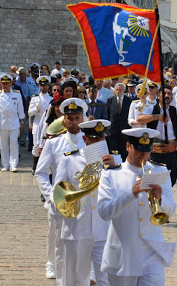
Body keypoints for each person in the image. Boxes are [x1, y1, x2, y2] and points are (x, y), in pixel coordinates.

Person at [97, 127, 177, 285]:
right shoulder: (111, 174)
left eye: (147, 151)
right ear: (128, 147)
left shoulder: (159, 171)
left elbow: (171, 210)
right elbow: (104, 212)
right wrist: (130, 194)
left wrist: (160, 200)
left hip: (152, 253)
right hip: (123, 255)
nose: (144, 155)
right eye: (139, 150)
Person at [51, 113, 113, 286]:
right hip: (77, 228)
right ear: (85, 139)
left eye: (101, 139)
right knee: (75, 279)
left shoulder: (114, 163)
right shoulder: (70, 160)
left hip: (102, 229)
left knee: (105, 279)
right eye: (94, 139)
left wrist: (114, 168)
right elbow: (58, 192)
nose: (99, 143)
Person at [36, 97, 88, 283]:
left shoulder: (89, 142)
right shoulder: (53, 143)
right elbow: (41, 173)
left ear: (82, 118)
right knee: (57, 239)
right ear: (63, 118)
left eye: (76, 118)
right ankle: (57, 273)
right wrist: (51, 196)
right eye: (69, 118)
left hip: (83, 201)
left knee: (82, 242)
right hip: (60, 200)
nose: (73, 122)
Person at [140, 85, 177, 186]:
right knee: (153, 182)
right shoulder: (151, 110)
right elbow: (140, 119)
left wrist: (175, 145)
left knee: (170, 181)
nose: (167, 95)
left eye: (169, 94)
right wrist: (157, 117)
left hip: (170, 150)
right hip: (154, 152)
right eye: (164, 93)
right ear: (158, 96)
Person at [0, 73, 25, 172]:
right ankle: (5, 164)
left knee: (14, 144)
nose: (5, 85)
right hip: (2, 123)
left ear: (11, 83)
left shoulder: (17, 94)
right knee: (3, 145)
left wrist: (22, 122)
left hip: (14, 123)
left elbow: (20, 109)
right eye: (3, 83)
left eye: (7, 83)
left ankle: (13, 164)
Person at [29, 76, 53, 173]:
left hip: (47, 125)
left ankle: (44, 167)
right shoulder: (35, 98)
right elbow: (30, 113)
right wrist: (36, 108)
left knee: (46, 147)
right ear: (39, 86)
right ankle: (35, 166)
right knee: (36, 146)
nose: (44, 87)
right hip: (37, 124)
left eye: (46, 85)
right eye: (42, 85)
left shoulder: (51, 98)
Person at [106, 83, 132, 159]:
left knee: (123, 151)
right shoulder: (110, 100)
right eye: (117, 89)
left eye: (120, 90)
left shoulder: (129, 101)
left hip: (124, 129)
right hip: (113, 130)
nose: (118, 91)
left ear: (124, 90)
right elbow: (108, 114)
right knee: (113, 150)